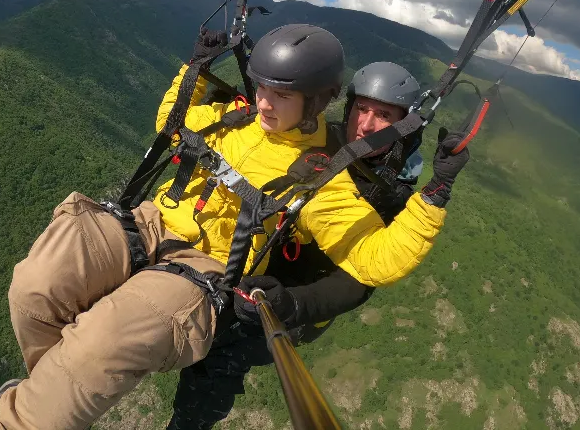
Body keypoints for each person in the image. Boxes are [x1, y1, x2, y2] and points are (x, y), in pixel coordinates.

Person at [0, 25, 466, 430]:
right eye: (263, 87)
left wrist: (435, 194)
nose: (266, 102)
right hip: (149, 224)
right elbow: (173, 120)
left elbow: (374, 259)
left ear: (316, 101)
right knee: (35, 285)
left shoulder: (325, 178)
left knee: (104, 340)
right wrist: (197, 70)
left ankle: (18, 422)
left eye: (281, 95)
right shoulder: (237, 116)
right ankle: (46, 399)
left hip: (205, 271)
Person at [165, 61, 469, 429]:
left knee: (219, 358)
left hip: (297, 302)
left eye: (384, 116)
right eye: (362, 109)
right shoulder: (324, 141)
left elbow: (361, 280)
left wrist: (293, 305)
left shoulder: (392, 193)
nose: (367, 125)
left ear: (404, 123)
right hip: (259, 261)